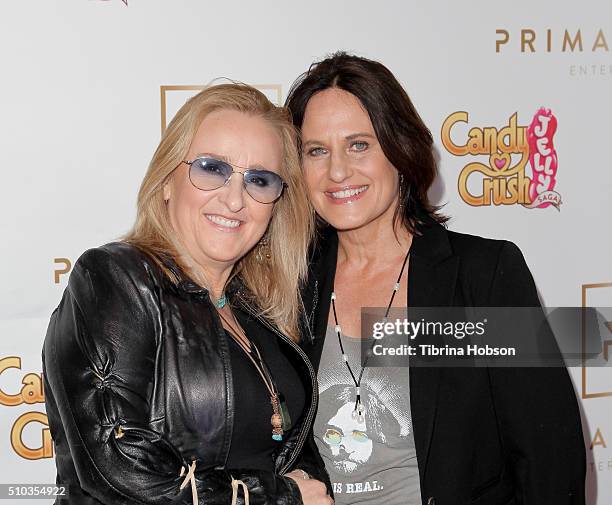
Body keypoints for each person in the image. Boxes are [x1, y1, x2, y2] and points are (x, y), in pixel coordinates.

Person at [286, 52, 586, 505]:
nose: (338, 171)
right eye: (316, 150)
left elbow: (550, 457)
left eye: (360, 144)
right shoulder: (289, 283)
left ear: (400, 149)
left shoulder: (483, 274)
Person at [43, 83, 333, 505]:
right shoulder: (117, 278)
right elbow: (117, 465)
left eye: (260, 179)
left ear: (276, 203)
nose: (235, 199)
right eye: (212, 168)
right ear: (166, 181)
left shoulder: (262, 310)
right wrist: (276, 496)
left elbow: (293, 452)